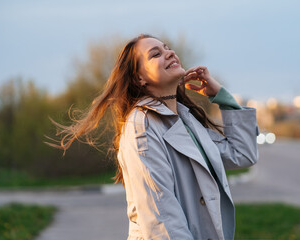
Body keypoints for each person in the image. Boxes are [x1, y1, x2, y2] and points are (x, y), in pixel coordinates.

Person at [53, 34, 259, 240]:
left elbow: (242, 154)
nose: (170, 53)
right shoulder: (140, 127)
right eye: (156, 54)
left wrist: (223, 97)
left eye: (167, 48)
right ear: (138, 78)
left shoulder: (185, 119)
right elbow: (162, 222)